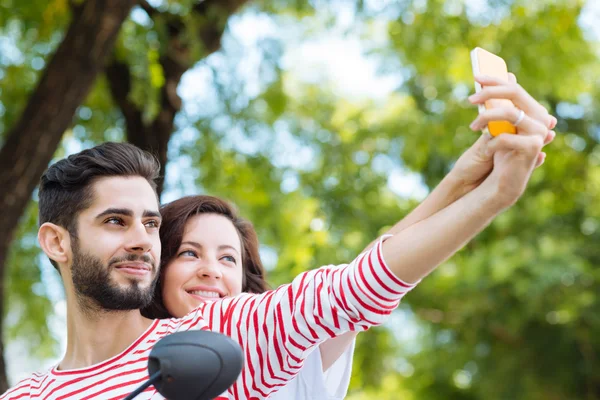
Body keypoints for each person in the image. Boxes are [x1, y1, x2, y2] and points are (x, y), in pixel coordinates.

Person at [1, 75, 557, 399]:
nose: (143, 240)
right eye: (115, 221)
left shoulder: (219, 335)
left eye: (150, 222)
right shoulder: (23, 397)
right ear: (56, 242)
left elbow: (352, 288)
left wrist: (490, 195)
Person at [141, 195, 359, 400]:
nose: (212, 270)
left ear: (245, 283)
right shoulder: (123, 364)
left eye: (227, 258)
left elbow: (354, 288)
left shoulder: (282, 356)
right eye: (189, 253)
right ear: (157, 268)